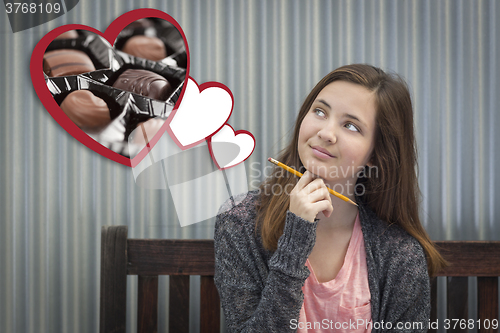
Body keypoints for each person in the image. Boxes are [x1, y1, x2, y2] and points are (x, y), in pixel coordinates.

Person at [214, 64, 447, 332]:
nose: (326, 133)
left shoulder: (400, 255)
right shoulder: (239, 223)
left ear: (375, 153)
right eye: (320, 111)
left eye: (351, 125)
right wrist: (295, 239)